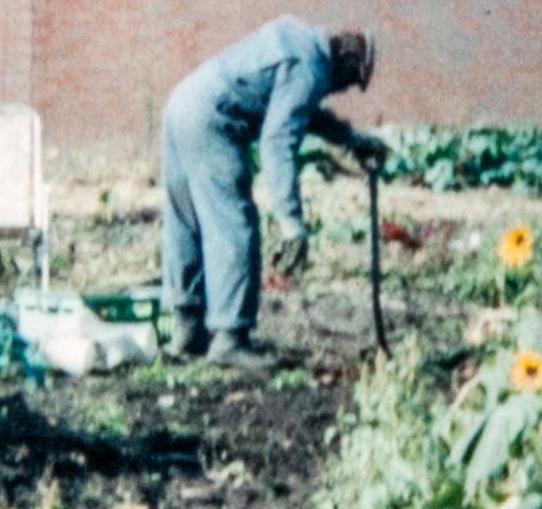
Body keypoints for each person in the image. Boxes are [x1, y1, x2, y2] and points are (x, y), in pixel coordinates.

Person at [159, 19, 384, 365]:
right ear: (346, 66)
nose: (338, 92)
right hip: (213, 120)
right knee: (233, 225)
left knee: (185, 223)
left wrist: (352, 139)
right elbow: (278, 141)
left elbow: (303, 111)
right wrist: (291, 222)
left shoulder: (299, 40)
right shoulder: (311, 68)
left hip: (181, 103)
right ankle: (230, 339)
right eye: (348, 84)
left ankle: (187, 330)